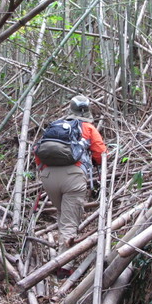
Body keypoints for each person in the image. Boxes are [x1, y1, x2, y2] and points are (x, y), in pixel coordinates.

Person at [35, 95, 107, 278]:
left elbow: (38, 151)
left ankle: (62, 251)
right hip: (73, 177)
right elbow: (101, 153)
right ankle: (64, 267)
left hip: (48, 176)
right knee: (69, 222)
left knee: (64, 214)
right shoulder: (88, 128)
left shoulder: (56, 126)